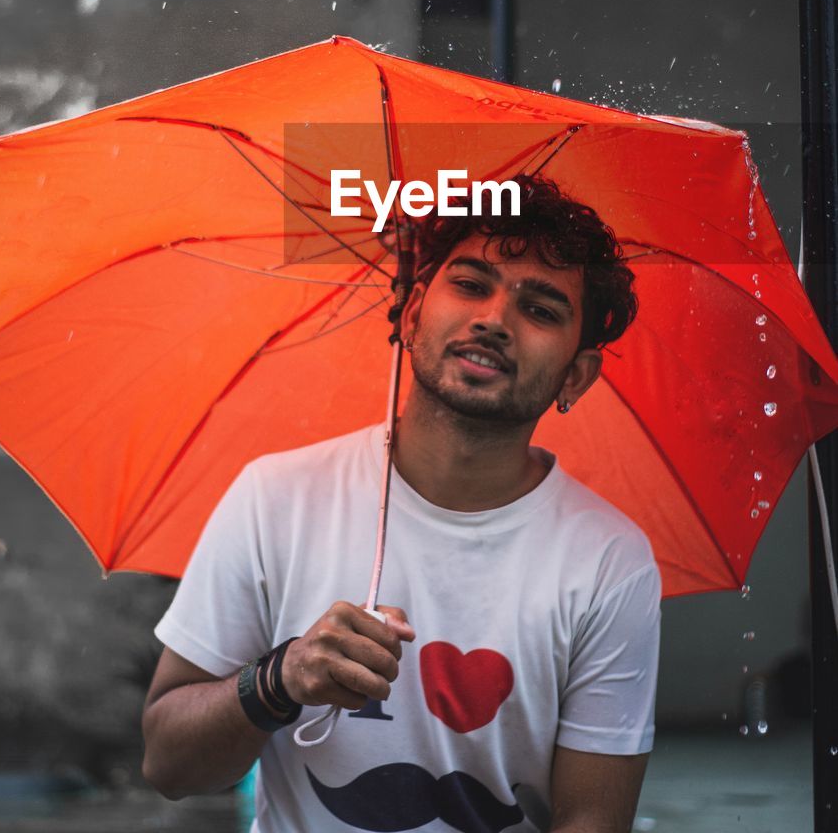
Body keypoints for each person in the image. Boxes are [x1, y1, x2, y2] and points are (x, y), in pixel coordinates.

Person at [142, 174, 661, 833]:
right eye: (470, 284)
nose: (493, 320)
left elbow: (590, 820)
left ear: (575, 376)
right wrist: (279, 680)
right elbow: (168, 765)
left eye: (540, 309)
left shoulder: (608, 562)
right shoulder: (275, 497)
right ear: (412, 313)